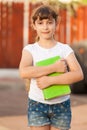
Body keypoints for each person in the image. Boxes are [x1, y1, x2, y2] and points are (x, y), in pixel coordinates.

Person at [19, 4, 84, 130]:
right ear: (34, 25)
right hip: (37, 104)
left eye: (49, 22)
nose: (45, 27)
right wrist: (54, 68)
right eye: (41, 23)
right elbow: (24, 72)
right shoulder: (30, 49)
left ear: (56, 24)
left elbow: (78, 74)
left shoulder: (64, 49)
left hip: (61, 105)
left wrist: (49, 80)